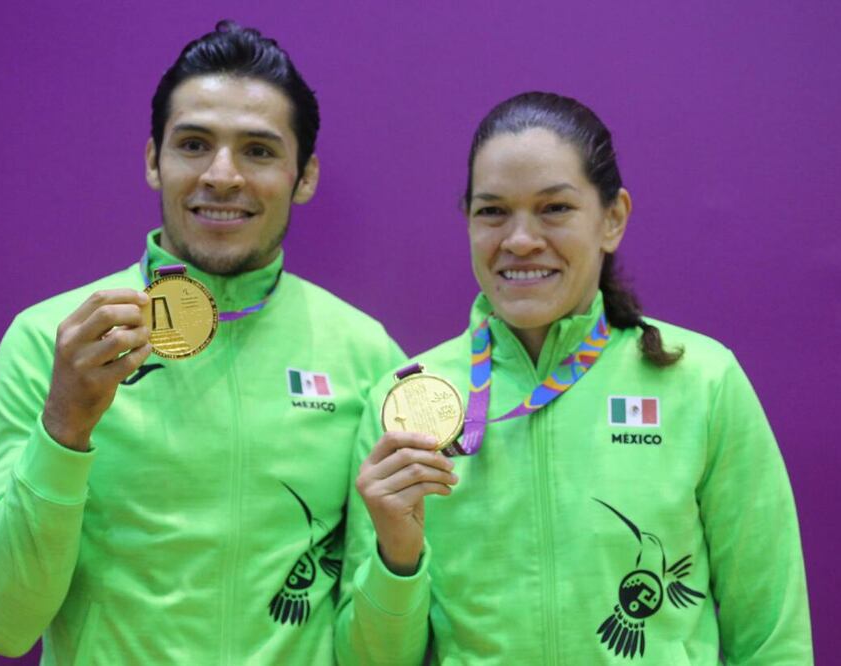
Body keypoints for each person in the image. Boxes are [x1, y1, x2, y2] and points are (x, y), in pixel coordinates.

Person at [0, 21, 403, 663]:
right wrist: (65, 425)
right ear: (152, 161)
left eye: (258, 150)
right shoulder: (52, 342)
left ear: (304, 176)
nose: (222, 176)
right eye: (194, 144)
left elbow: (377, 647)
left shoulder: (367, 355)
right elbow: (1, 623)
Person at [335, 92, 812, 664]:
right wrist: (397, 556)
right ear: (467, 221)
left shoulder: (702, 381)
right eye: (492, 211)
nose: (519, 240)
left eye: (554, 208)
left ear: (612, 219)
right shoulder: (405, 401)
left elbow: (771, 636)